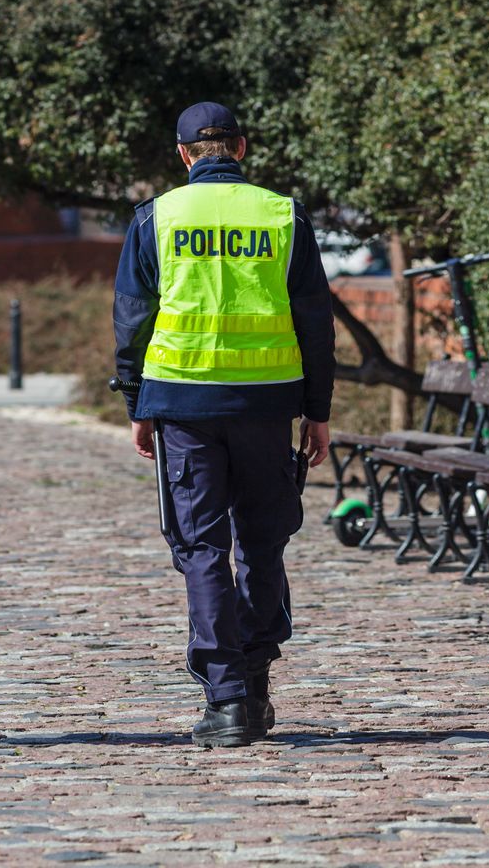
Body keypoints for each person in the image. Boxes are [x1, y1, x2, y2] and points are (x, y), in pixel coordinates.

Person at [113, 102, 334, 748]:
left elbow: (131, 320)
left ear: (183, 155)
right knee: (263, 543)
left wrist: (136, 402)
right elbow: (314, 323)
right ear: (241, 148)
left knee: (203, 547)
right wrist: (317, 411)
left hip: (182, 405)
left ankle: (227, 698)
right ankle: (257, 676)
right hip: (267, 405)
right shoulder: (282, 215)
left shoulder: (156, 218)